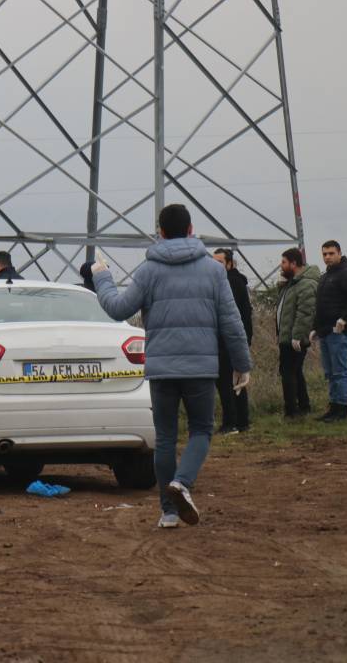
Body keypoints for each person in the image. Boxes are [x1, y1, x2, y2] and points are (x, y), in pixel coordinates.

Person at [92, 205, 251, 529]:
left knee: (164, 438)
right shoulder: (213, 270)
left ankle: (168, 512)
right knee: (202, 430)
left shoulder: (149, 270)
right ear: (192, 230)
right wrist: (241, 364)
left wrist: (102, 277)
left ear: (160, 232)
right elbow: (231, 321)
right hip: (201, 367)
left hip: (162, 369)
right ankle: (183, 482)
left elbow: (118, 307)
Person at [309, 240, 347, 422]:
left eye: (331, 253)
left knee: (340, 371)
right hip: (325, 331)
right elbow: (322, 305)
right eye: (324, 254)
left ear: (339, 253)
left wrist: (344, 318)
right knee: (331, 372)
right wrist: (315, 328)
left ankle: (341, 410)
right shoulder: (326, 276)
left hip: (339, 332)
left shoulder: (345, 274)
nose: (327, 257)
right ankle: (333, 408)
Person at [275, 247, 319, 419]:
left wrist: (297, 336)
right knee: (295, 371)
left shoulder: (306, 284)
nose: (281, 265)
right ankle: (304, 406)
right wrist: (282, 284)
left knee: (288, 372)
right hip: (287, 336)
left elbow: (305, 313)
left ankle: (291, 411)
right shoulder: (292, 283)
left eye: (284, 262)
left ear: (294, 263)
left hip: (294, 338)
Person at [212, 248, 253, 434]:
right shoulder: (237, 281)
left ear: (229, 264)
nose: (215, 266)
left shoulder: (230, 283)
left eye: (219, 262)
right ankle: (242, 422)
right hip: (235, 340)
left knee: (226, 382)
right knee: (236, 382)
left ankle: (230, 423)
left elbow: (232, 317)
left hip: (228, 341)